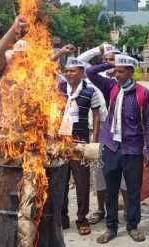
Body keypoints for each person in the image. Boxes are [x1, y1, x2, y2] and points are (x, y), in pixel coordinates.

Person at [86, 54, 149, 243]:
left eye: (121, 71)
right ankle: (111, 227)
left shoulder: (144, 94)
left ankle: (132, 226)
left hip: (132, 149)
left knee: (133, 191)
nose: (117, 74)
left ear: (131, 72)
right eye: (115, 71)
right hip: (111, 147)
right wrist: (108, 64)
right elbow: (90, 72)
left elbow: (148, 123)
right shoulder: (111, 87)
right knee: (111, 190)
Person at [76, 43, 129, 225]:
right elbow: (82, 62)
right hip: (99, 129)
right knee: (98, 172)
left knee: (122, 173)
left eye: (113, 59)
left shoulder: (122, 80)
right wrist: (98, 51)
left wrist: (116, 66)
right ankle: (100, 209)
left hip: (120, 130)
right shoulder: (94, 78)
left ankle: (128, 210)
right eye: (106, 60)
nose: (109, 63)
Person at [54, 55, 106, 235]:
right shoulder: (59, 89)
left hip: (81, 142)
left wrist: (95, 139)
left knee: (82, 182)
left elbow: (97, 115)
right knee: (60, 181)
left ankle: (82, 219)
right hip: (60, 142)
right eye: (66, 71)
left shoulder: (90, 91)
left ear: (82, 72)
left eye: (73, 71)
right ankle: (62, 217)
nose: (69, 74)